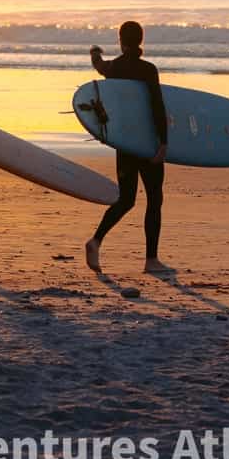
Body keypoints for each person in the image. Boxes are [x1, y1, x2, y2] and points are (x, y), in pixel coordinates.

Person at [85, 19, 171, 275]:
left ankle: (96, 240)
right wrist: (164, 142)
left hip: (125, 144)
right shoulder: (148, 70)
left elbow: (99, 66)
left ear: (120, 40)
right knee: (154, 199)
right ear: (141, 40)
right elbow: (157, 106)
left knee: (126, 199)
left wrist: (94, 52)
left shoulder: (113, 68)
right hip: (147, 143)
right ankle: (151, 260)